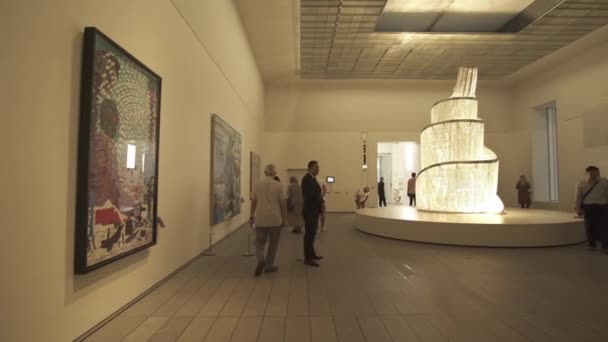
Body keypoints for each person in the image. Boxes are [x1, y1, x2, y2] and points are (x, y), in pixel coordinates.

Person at [250, 164, 287, 277]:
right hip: (275, 219)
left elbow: (254, 202)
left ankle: (261, 259)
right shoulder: (279, 185)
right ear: (275, 173)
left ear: (265, 172)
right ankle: (268, 266)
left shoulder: (257, 184)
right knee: (273, 244)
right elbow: (282, 204)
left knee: (259, 242)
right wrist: (284, 218)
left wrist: (251, 216)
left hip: (260, 218)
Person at [575, 166, 608, 251]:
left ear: (598, 173)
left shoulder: (604, 182)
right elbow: (578, 197)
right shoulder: (582, 183)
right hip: (588, 207)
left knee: (604, 226)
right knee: (589, 226)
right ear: (587, 173)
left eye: (595, 173)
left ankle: (605, 245)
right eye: (591, 173)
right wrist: (578, 208)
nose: (593, 175)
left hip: (602, 206)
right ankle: (591, 244)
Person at [301, 160, 323, 267]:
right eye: (316, 167)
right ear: (310, 168)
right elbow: (312, 196)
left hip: (313, 211)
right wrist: (320, 203)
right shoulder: (307, 179)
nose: (318, 169)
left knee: (312, 234)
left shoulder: (312, 179)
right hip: (310, 211)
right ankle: (308, 258)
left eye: (318, 167)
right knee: (309, 235)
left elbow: (317, 193)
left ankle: (312, 254)